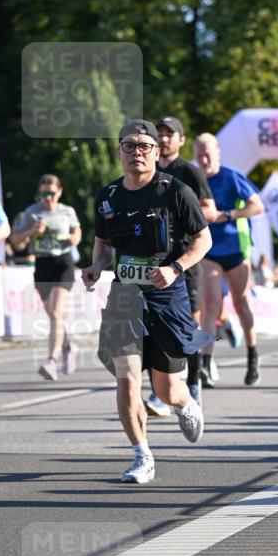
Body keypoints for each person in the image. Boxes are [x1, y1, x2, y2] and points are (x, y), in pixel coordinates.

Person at [81, 119, 212, 484]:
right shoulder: (107, 196)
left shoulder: (175, 191)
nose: (136, 152)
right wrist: (96, 266)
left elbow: (204, 240)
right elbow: (103, 244)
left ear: (156, 152)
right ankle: (142, 455)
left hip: (167, 295)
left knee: (166, 389)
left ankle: (184, 402)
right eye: (129, 145)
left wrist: (176, 267)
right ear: (119, 151)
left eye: (144, 146)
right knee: (126, 379)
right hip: (124, 295)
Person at [142, 116, 217, 415]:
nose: (163, 138)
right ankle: (160, 392)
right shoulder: (146, 170)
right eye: (159, 134)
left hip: (185, 257)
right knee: (154, 325)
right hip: (153, 260)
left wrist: (180, 213)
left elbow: (210, 210)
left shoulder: (189, 172)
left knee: (188, 327)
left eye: (169, 134)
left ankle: (194, 385)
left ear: (181, 140)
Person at [193, 132, 265, 386]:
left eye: (207, 154)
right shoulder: (193, 180)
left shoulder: (231, 176)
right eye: (199, 155)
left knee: (241, 302)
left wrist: (228, 214)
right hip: (208, 250)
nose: (203, 160)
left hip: (236, 249)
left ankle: (252, 355)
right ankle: (205, 363)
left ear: (218, 153)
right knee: (210, 304)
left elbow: (257, 206)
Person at [10, 175, 81, 380]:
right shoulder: (31, 212)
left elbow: (77, 232)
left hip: (63, 264)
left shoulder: (67, 211)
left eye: (51, 193)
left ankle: (51, 361)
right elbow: (15, 242)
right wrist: (31, 231)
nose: (47, 198)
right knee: (54, 316)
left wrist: (73, 238)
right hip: (42, 265)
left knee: (57, 312)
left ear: (59, 191)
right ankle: (68, 347)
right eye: (43, 194)